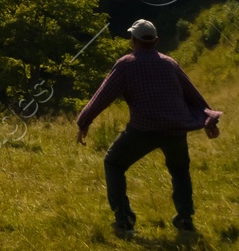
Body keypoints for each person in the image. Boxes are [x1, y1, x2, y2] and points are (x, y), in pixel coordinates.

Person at [77, 18, 222, 235]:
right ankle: (185, 220)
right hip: (175, 128)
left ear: (132, 40)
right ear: (156, 41)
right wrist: (208, 118)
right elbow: (192, 94)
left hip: (143, 129)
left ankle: (124, 221)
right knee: (180, 170)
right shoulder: (169, 63)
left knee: (113, 163)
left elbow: (103, 96)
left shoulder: (126, 64)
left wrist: (83, 122)